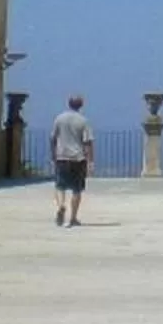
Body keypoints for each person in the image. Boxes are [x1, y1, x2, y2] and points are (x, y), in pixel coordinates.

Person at [50, 93, 94, 226]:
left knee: (60, 186)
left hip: (62, 157)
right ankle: (73, 217)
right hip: (78, 158)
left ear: (69, 104)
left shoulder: (59, 118)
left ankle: (61, 206)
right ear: (81, 105)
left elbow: (53, 138)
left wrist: (53, 155)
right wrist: (90, 161)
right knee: (77, 189)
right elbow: (88, 142)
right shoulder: (83, 121)